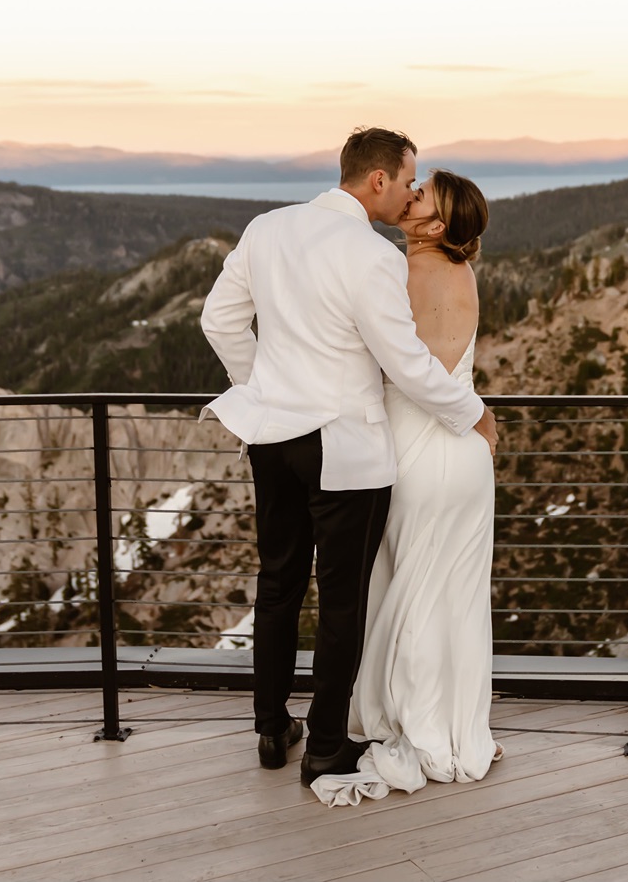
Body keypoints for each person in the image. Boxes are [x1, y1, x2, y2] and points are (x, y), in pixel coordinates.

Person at [200, 127, 499, 786]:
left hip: (273, 438)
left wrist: (266, 390)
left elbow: (218, 320)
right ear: (378, 181)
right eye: (408, 179)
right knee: (342, 601)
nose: (410, 192)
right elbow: (407, 363)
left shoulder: (266, 228)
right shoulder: (373, 257)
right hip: (345, 446)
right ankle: (327, 746)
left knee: (277, 583)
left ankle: (272, 726)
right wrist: (472, 412)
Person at [310, 170, 499, 806]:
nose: (409, 197)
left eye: (422, 197)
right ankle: (455, 726)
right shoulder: (462, 271)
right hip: (466, 459)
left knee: (411, 590)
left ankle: (416, 725)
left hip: (420, 451)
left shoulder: (404, 272)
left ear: (436, 226)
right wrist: (473, 412)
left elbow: (410, 370)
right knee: (454, 598)